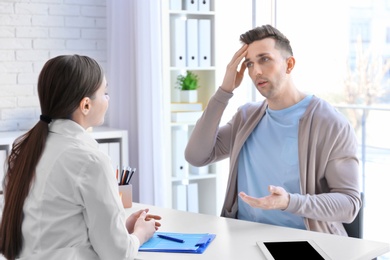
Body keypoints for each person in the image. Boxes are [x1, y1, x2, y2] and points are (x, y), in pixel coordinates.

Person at [185, 24, 361, 236]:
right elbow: (196, 156)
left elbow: (349, 204)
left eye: (264, 59)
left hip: (304, 240)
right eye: (249, 63)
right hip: (243, 237)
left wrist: (289, 201)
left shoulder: (330, 123)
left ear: (289, 64)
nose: (256, 71)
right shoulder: (246, 117)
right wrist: (224, 91)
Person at [0, 55, 161, 259]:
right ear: (85, 105)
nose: (108, 99)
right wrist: (141, 234)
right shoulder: (90, 160)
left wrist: (122, 228)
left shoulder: (22, 149)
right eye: (105, 92)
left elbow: (55, 227)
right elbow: (118, 255)